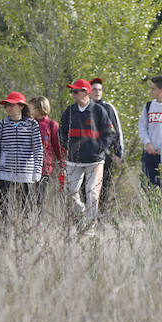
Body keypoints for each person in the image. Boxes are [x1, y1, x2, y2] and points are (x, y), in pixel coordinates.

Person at [59, 79, 117, 228]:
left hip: (95, 160)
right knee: (71, 192)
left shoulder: (98, 110)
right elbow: (62, 132)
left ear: (85, 92)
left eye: (75, 91)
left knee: (91, 193)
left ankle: (90, 228)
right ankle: (82, 214)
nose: (72, 94)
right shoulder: (70, 111)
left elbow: (110, 133)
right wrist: (68, 146)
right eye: (72, 91)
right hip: (74, 160)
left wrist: (99, 148)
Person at [0, 92, 43, 226]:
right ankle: (7, 236)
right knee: (5, 209)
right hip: (5, 174)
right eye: (7, 105)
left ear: (21, 106)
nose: (8, 108)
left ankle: (25, 237)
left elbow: (38, 149)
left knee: (27, 210)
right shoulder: (1, 124)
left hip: (27, 174)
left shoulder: (32, 124)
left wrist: (37, 171)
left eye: (12, 105)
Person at [88, 78, 123, 208]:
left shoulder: (108, 108)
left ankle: (101, 216)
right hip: (86, 154)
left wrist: (119, 153)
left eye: (100, 89)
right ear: (89, 92)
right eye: (94, 89)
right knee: (85, 186)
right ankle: (85, 216)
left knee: (104, 186)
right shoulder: (84, 108)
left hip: (105, 154)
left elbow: (117, 131)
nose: (97, 92)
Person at [138, 75, 162, 188]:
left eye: (154, 89)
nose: (151, 91)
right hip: (149, 153)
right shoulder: (149, 106)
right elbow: (142, 126)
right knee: (148, 186)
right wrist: (147, 143)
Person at [28, 96, 64, 204]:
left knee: (40, 197)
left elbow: (58, 147)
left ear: (40, 108)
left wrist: (62, 165)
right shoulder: (28, 123)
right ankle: (27, 219)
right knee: (27, 198)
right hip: (28, 166)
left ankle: (39, 220)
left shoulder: (51, 125)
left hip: (45, 167)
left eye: (32, 108)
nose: (29, 111)